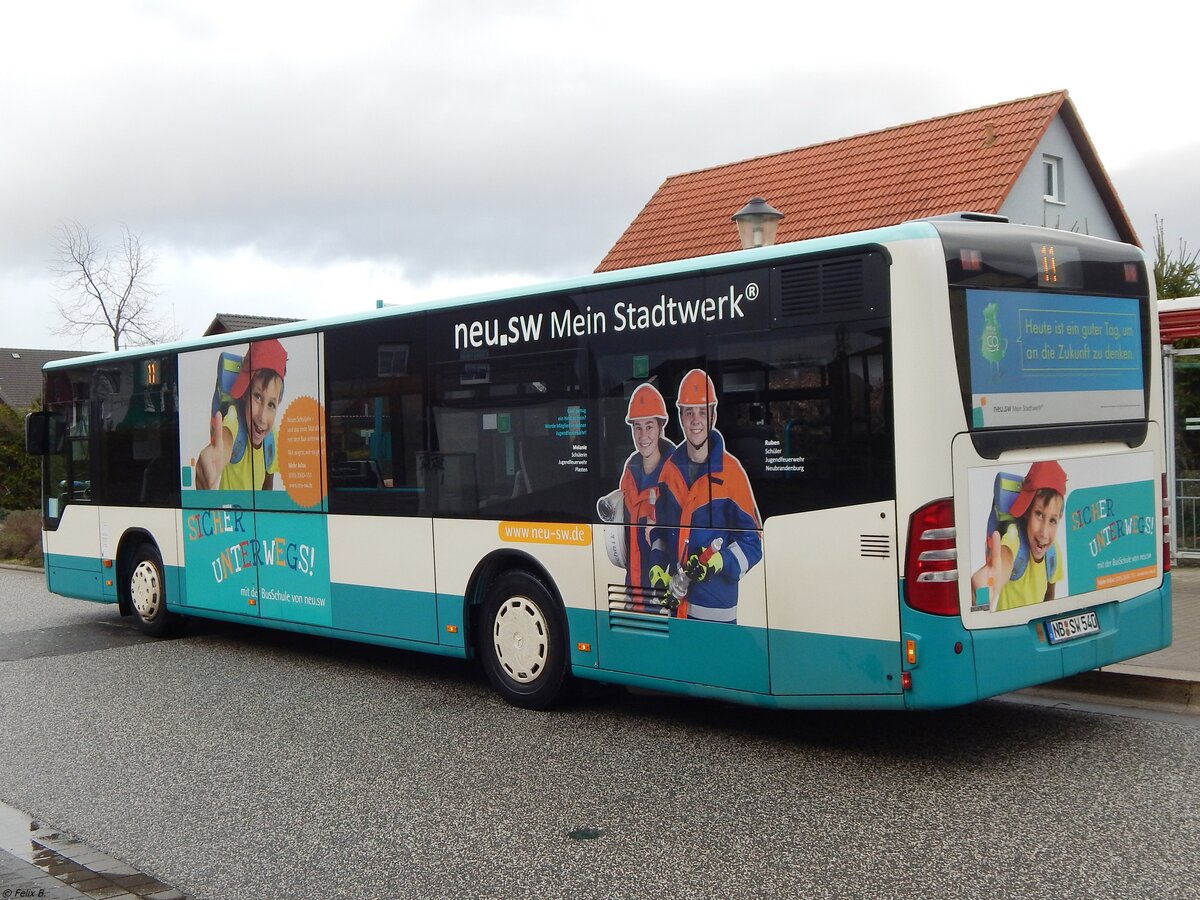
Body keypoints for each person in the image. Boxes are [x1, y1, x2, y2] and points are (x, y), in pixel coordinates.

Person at [653, 368, 762, 623]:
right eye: (689, 412)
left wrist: (719, 562)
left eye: (702, 411)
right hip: (676, 609)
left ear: (713, 415)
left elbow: (753, 542)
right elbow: (660, 530)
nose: (695, 420)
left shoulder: (731, 472)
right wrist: (657, 566)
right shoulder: (669, 470)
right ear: (680, 416)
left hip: (716, 614)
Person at [970, 460, 1066, 611]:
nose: (1044, 533)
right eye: (1039, 514)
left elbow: (1049, 599)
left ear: (1059, 519)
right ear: (1027, 511)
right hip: (1008, 631)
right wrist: (992, 579)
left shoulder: (1054, 554)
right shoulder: (1014, 537)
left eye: (1052, 520)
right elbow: (1005, 558)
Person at [195, 338, 288, 491]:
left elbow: (267, 490)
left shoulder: (272, 437)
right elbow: (226, 439)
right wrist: (212, 461)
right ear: (245, 392)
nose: (262, 417)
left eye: (271, 404)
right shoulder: (233, 419)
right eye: (257, 396)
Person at [613, 384, 675, 608]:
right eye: (637, 428)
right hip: (633, 592)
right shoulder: (629, 473)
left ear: (660, 428)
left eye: (649, 426)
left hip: (663, 594)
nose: (643, 435)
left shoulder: (675, 473)